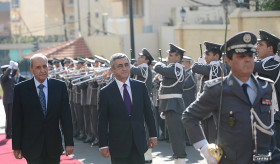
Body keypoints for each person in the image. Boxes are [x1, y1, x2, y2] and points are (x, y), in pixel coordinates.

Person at [182, 31, 280, 164]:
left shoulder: (266, 88)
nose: (247, 59)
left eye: (251, 55)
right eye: (241, 56)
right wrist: (205, 148)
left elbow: (268, 129)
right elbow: (190, 116)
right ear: (228, 60)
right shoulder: (217, 89)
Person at [12, 54, 74, 164]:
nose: (43, 70)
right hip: (31, 146)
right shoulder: (20, 89)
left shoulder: (60, 87)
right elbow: (17, 120)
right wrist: (16, 146)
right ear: (31, 69)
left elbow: (66, 117)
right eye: (38, 67)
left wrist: (69, 142)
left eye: (45, 66)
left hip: (53, 146)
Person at [98, 53, 157, 164]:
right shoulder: (105, 92)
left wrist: (153, 135)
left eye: (126, 65)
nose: (124, 68)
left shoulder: (140, 87)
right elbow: (102, 121)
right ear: (112, 70)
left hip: (138, 143)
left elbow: (149, 113)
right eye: (120, 66)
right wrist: (103, 145)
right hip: (118, 146)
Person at [154, 43, 187, 164]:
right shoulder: (172, 68)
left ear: (178, 58)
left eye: (171, 55)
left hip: (174, 104)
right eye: (169, 54)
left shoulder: (177, 68)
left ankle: (180, 158)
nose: (169, 56)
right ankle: (178, 158)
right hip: (169, 104)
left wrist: (159, 63)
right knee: (173, 134)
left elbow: (158, 68)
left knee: (177, 134)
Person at [192, 41, 230, 144]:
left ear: (217, 56)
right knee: (208, 139)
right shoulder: (212, 66)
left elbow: (195, 68)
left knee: (214, 140)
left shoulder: (218, 66)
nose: (205, 57)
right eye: (205, 55)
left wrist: (200, 63)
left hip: (215, 107)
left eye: (208, 55)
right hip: (207, 107)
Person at [253, 30, 280, 149]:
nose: (257, 47)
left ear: (270, 48)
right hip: (260, 116)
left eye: (261, 45)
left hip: (274, 118)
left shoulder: (273, 64)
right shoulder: (261, 63)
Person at [130, 48, 154, 163]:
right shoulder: (140, 67)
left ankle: (147, 154)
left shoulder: (144, 67)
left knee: (145, 128)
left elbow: (139, 72)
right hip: (138, 101)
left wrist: (127, 65)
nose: (138, 58)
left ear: (146, 60)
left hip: (144, 102)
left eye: (141, 56)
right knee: (141, 127)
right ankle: (144, 152)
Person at [0, 61, 18, 139]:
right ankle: (8, 133)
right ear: (4, 71)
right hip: (7, 100)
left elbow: (13, 73)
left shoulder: (10, 77)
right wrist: (10, 67)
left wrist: (15, 67)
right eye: (8, 70)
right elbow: (7, 75)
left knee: (13, 117)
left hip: (12, 99)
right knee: (9, 117)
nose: (9, 71)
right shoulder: (3, 77)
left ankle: (11, 132)